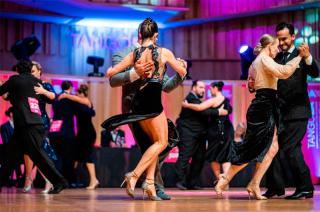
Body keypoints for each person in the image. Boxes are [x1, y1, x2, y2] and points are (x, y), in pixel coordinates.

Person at [214, 34, 309, 200]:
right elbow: (284, 72)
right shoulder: (264, 59)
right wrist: (299, 57)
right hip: (264, 106)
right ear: (270, 46)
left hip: (265, 104)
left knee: (272, 148)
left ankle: (254, 183)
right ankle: (225, 179)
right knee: (254, 148)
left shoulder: (256, 62)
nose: (278, 49)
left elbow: (252, 85)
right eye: (276, 46)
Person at [103, 18, 187, 201]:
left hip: (143, 101)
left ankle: (150, 183)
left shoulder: (135, 54)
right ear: (155, 35)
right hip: (140, 105)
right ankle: (136, 176)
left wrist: (135, 66)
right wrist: (135, 72)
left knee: (158, 143)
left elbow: (110, 72)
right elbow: (113, 80)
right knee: (160, 143)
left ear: (141, 33)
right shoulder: (159, 52)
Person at [263, 22, 319, 200]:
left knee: (291, 149)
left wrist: (308, 56)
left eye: (285, 38)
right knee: (272, 150)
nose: (281, 42)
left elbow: (315, 71)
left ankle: (306, 188)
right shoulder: (277, 58)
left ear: (293, 37)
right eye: (279, 39)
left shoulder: (301, 55)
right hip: (279, 112)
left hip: (298, 112)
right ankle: (275, 187)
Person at [0, 60, 68, 194]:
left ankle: (59, 181)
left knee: (38, 155)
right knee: (11, 156)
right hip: (30, 124)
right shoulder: (35, 82)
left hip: (28, 124)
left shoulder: (15, 80)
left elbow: (3, 93)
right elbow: (52, 99)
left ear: (18, 69)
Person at [175, 80, 228, 190]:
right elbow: (203, 111)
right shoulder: (190, 98)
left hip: (200, 134)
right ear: (194, 88)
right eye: (200, 87)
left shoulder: (198, 101)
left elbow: (203, 109)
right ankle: (181, 181)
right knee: (184, 157)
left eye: (204, 88)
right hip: (187, 133)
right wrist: (218, 111)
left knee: (199, 158)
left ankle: (192, 183)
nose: (203, 90)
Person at [22, 61, 57, 193]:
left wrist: (43, 91)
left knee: (40, 151)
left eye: (33, 71)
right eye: (29, 72)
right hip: (27, 121)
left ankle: (48, 179)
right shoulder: (25, 85)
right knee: (27, 150)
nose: (31, 74)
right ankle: (28, 177)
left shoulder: (44, 84)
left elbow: (54, 96)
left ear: (39, 72)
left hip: (41, 121)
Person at [59, 84, 99, 190]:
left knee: (87, 156)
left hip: (88, 133)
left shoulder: (86, 101)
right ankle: (71, 180)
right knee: (76, 156)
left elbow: (76, 99)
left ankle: (94, 180)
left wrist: (66, 95)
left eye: (77, 94)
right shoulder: (78, 103)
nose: (75, 96)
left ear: (81, 94)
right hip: (81, 134)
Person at [49, 81, 77, 186]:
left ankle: (57, 180)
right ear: (70, 87)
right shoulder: (70, 98)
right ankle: (69, 181)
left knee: (57, 158)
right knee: (68, 158)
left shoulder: (56, 98)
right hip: (67, 132)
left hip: (55, 131)